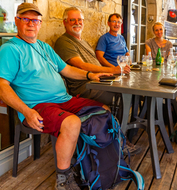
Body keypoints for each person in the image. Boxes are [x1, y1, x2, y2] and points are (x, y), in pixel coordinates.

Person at [0, 3, 111, 189]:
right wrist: (26, 112)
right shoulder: (11, 49)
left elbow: (66, 69)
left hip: (64, 100)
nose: (31, 24)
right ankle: (63, 179)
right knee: (72, 122)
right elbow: (2, 87)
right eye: (25, 19)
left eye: (35, 20)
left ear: (40, 23)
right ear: (17, 21)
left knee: (103, 110)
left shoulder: (44, 47)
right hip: (37, 106)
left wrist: (89, 75)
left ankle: (93, 162)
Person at [54, 7, 130, 106]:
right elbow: (81, 65)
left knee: (129, 89)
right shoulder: (64, 41)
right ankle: (118, 121)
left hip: (100, 80)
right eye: (72, 19)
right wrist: (112, 70)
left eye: (80, 19)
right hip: (85, 85)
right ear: (65, 22)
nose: (77, 22)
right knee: (122, 96)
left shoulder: (85, 42)